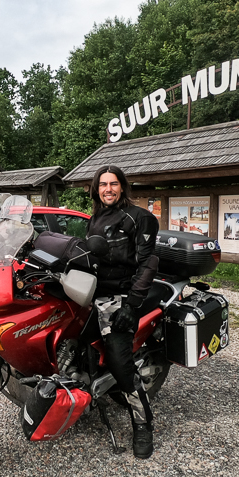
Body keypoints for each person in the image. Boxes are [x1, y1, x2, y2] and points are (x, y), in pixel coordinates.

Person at [86, 165, 159, 458]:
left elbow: (149, 263)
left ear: (122, 186)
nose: (108, 189)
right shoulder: (94, 218)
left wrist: (131, 305)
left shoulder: (139, 218)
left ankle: (143, 424)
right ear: (96, 188)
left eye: (113, 184)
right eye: (103, 184)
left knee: (120, 360)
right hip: (93, 292)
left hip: (121, 296)